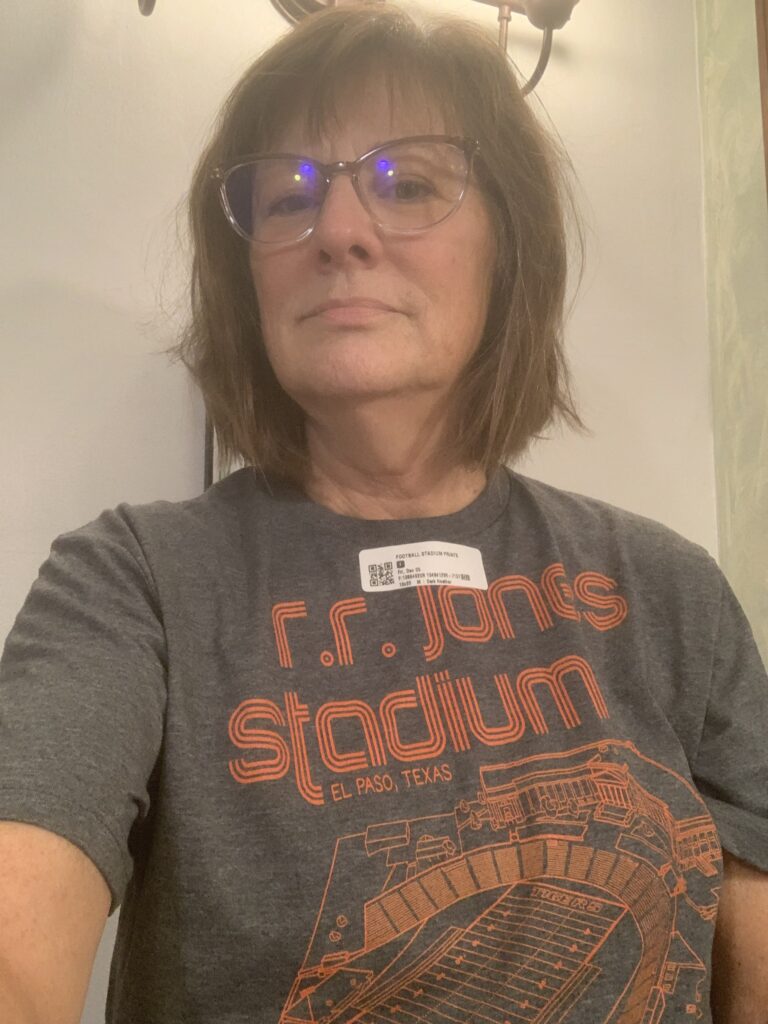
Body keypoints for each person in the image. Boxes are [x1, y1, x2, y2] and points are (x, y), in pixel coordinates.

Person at [1, 5, 767, 1023]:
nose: (338, 232)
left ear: (508, 248)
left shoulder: (672, 592)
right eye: (288, 197)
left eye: (409, 184)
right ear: (246, 272)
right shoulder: (130, 581)